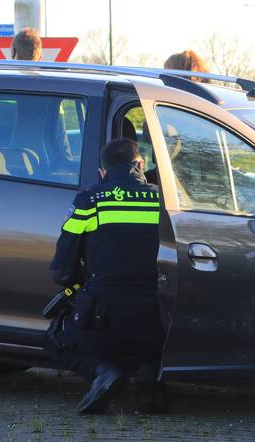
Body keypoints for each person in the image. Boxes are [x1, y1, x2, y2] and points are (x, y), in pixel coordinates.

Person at [48, 138, 167, 414]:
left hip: (102, 322)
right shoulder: (163, 202)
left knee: (54, 338)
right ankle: (150, 373)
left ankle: (104, 372)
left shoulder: (89, 201)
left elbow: (60, 271)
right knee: (152, 344)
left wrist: (83, 285)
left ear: (103, 172)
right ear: (140, 165)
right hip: (155, 323)